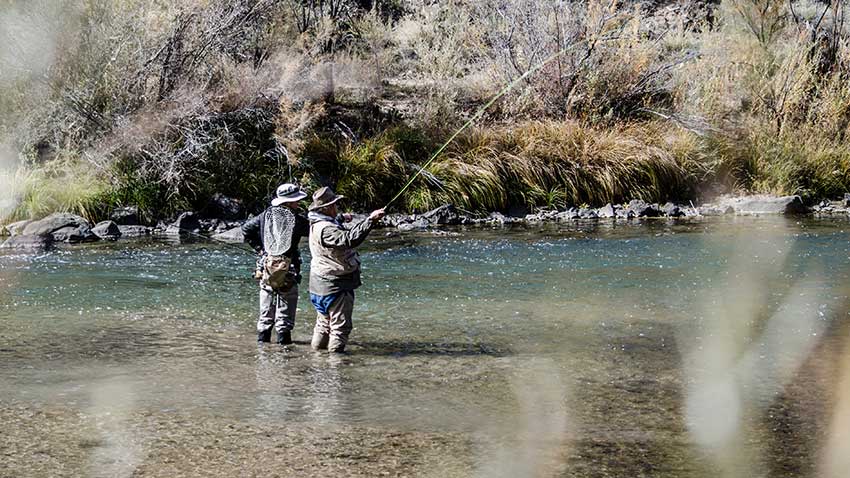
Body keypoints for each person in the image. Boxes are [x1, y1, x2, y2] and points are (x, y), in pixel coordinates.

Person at [307, 187, 385, 353]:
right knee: (339, 329)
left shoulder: (316, 222)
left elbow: (335, 227)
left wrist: (342, 218)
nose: (337, 207)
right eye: (335, 204)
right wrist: (370, 220)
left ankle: (317, 360)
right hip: (335, 285)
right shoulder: (327, 229)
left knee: (323, 324)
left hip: (319, 284)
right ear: (327, 208)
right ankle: (335, 367)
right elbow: (349, 239)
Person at [242, 183, 309, 345]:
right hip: (288, 269)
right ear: (289, 202)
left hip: (266, 266)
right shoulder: (297, 220)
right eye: (296, 200)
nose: (298, 203)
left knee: (266, 310)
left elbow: (246, 230)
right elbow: (313, 230)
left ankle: (263, 348)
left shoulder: (265, 215)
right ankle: (285, 353)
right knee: (285, 313)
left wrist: (261, 250)